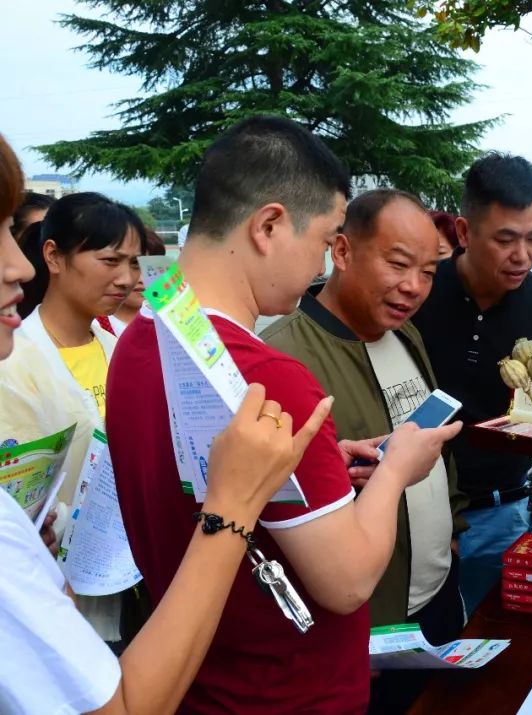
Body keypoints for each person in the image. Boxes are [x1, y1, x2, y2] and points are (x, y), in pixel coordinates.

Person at [107, 116, 460, 714]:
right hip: (287, 693)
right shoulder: (268, 376)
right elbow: (346, 582)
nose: (323, 264)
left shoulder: (143, 338)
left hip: (203, 681)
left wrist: (321, 463)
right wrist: (398, 467)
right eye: (324, 241)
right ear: (269, 225)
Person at [0, 129, 336, 715]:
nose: (16, 266)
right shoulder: (46, 357)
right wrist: (231, 506)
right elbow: (125, 706)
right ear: (269, 226)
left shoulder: (126, 342)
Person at [262, 188, 469, 713]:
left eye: (429, 272)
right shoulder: (283, 356)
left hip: (436, 594)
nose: (413, 287)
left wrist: (454, 531)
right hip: (367, 625)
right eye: (398, 264)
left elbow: (435, 442)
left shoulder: (406, 337)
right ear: (343, 251)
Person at [412, 152, 532, 614]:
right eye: (505, 240)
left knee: (494, 643)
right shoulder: (419, 295)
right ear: (464, 233)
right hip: (416, 509)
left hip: (503, 512)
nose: (522, 255)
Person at [1, 191, 148, 645]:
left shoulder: (125, 346)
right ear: (53, 257)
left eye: (134, 263)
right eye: (109, 261)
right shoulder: (14, 361)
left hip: (144, 584)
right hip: (68, 605)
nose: (125, 278)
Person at [102, 228, 166, 336]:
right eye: (135, 265)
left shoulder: (173, 321)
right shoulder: (93, 326)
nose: (141, 279)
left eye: (150, 269)